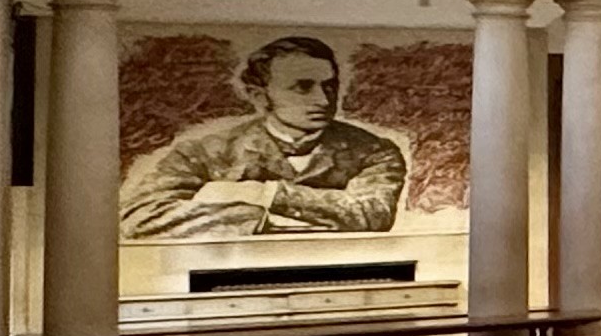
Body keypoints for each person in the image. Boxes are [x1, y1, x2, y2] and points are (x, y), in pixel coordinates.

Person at [119, 35, 409, 237]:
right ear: (260, 96)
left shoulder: (373, 151)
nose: (323, 100)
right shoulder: (205, 152)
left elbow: (372, 215)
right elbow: (140, 218)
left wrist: (261, 193)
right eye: (303, 87)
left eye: (330, 86)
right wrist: (256, 217)